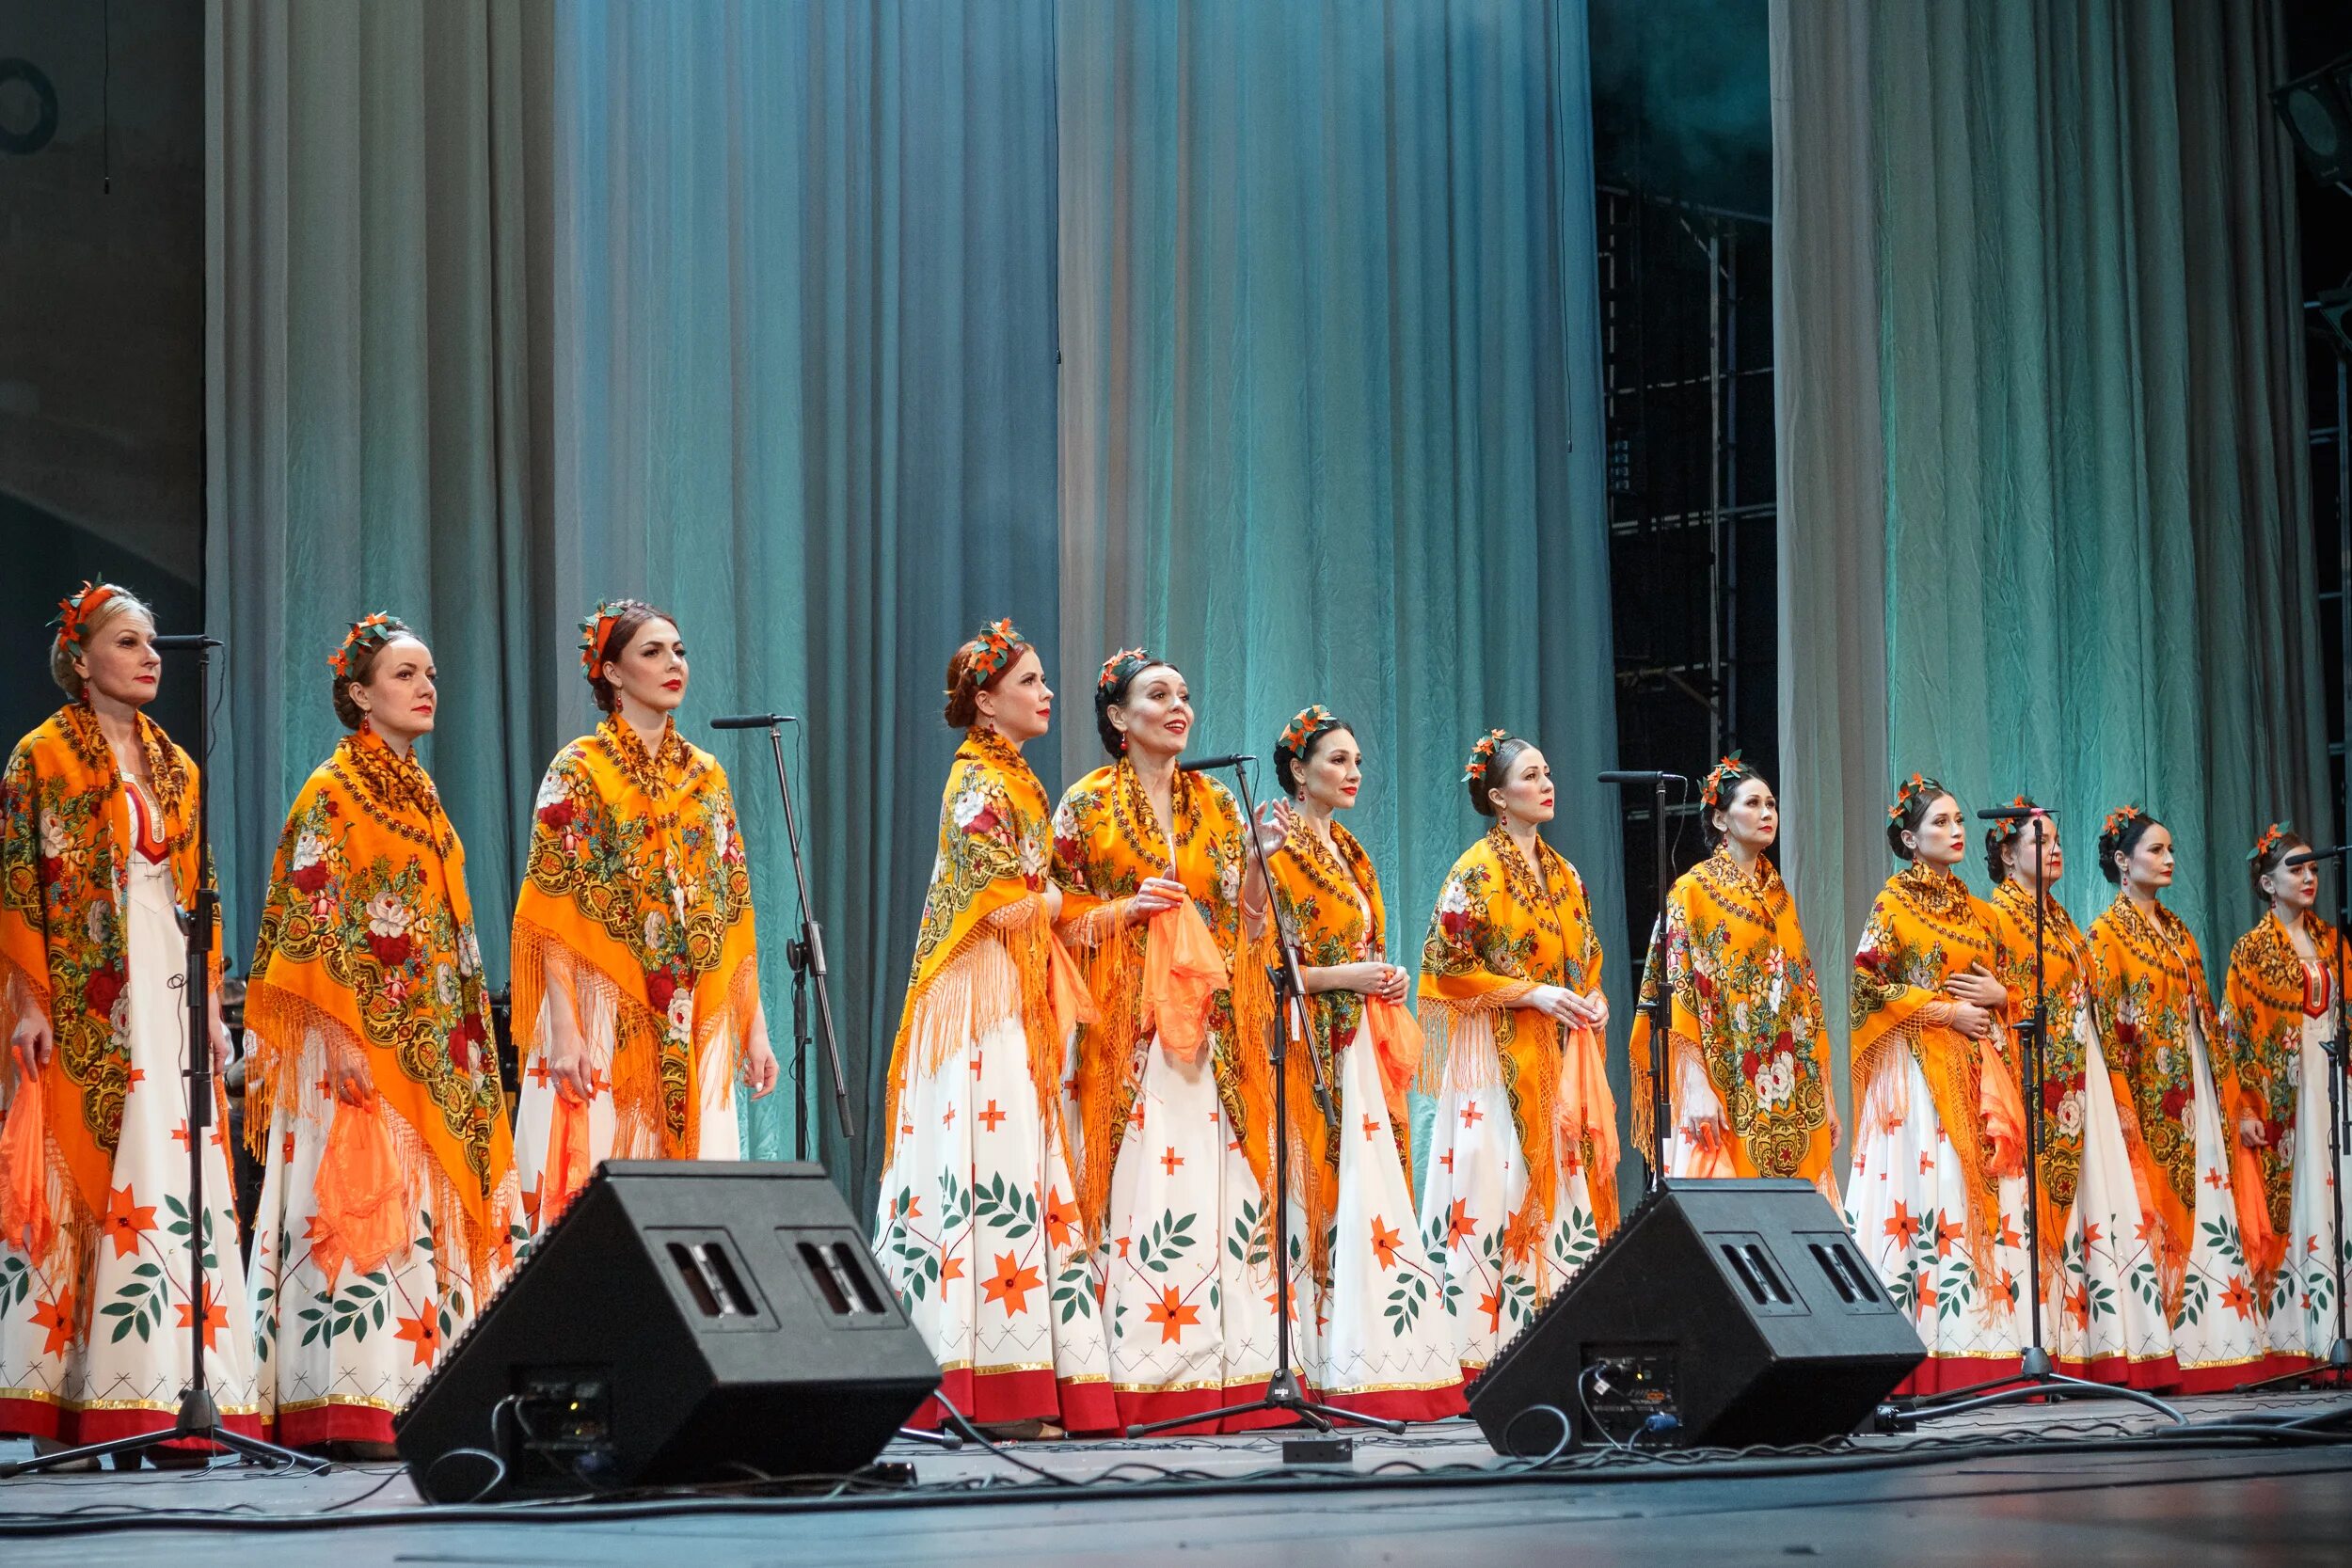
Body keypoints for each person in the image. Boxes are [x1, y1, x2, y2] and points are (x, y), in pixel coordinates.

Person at [244, 613, 518, 1455]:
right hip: (353, 1056)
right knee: (364, 1219)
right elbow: (305, 923)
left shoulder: (423, 798)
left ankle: (425, 1391)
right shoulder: (333, 791)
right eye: (404, 674)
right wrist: (339, 1042)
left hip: (430, 1048)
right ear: (360, 694)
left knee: (423, 1224)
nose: (425, 686)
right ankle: (350, 1402)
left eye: (429, 672)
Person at [0, 582, 260, 1461]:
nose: (150, 656)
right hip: (85, 998)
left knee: (172, 1171)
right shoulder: (40, 758)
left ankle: (166, 1393)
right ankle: (77, 1405)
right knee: (95, 1170)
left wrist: (216, 1008)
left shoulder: (178, 765)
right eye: (126, 642)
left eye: (152, 642)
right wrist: (29, 1001)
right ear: (80, 658)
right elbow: (15, 888)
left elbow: (202, 889)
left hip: (169, 984)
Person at [872, 621, 1115, 1434]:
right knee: (988, 1169)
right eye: (1030, 682)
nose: (1047, 693)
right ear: (985, 699)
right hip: (978, 995)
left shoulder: (1012, 780)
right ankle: (982, 1388)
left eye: (1045, 681)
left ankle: (1016, 1384)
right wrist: (1058, 902)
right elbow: (1007, 904)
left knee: (1010, 1171)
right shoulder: (978, 781)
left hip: (1006, 987)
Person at [1050, 648, 1284, 1433]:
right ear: (1118, 717)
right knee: (1141, 1197)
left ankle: (1232, 1380)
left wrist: (1255, 869)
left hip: (1208, 1032)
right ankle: (1144, 1380)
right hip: (1128, 1028)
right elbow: (1055, 921)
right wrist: (1126, 911)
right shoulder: (1083, 805)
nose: (1179, 706)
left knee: (1220, 1198)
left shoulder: (1216, 801)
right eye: (1158, 695)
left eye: (1185, 693)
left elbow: (1245, 925)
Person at [510, 602, 779, 1233]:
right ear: (612, 672)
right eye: (653, 652)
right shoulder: (578, 770)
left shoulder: (707, 777)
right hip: (604, 1006)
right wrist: (564, 1029)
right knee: (602, 1183)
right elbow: (551, 912)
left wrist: (755, 1028)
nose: (673, 664)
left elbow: (733, 905)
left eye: (679, 650)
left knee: (696, 1200)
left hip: (691, 1007)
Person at [1256, 705, 1464, 1418]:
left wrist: (1383, 976)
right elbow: (1265, 966)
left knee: (1371, 1195)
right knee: (1318, 1196)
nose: (1352, 773)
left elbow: (1361, 951)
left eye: (1356, 762)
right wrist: (1345, 977)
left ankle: (1379, 1359)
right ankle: (1317, 1359)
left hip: (1359, 1041)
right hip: (1310, 1036)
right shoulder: (1276, 851)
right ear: (1297, 770)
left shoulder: (1353, 851)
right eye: (1337, 760)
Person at [1415, 730, 1616, 1376]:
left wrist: (1593, 995)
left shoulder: (1566, 874)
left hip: (1557, 1054)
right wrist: (1531, 992)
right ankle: (1479, 1350)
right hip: (1495, 1056)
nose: (1547, 784)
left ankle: (1560, 1340)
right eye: (1531, 776)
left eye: (1548, 772)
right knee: (1492, 1185)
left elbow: (1585, 958)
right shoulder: (1475, 870)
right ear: (1499, 797)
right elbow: (1445, 968)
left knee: (1564, 1192)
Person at [1981, 799, 2174, 1386]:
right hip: (2033, 1076)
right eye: (2040, 841)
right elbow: (1993, 995)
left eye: (2058, 839)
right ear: (2009, 854)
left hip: (2080, 1073)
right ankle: (2041, 1349)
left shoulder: (2060, 921)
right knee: (2036, 1211)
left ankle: (2103, 1349)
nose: (2055, 848)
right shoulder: (1997, 917)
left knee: (2098, 1205)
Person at [1845, 774, 2028, 1392]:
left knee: (1982, 1198)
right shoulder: (1893, 904)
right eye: (1941, 822)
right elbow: (1866, 986)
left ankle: (1986, 1350)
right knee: (1930, 1193)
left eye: (1958, 821)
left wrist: (2004, 997)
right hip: (1918, 1075)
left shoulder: (1983, 913)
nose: (1955, 831)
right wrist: (1944, 1010)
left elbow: (2023, 991)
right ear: (1909, 838)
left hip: (1981, 1073)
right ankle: (1920, 1355)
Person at [2087, 805, 2271, 1388]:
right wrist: (2121, 1106)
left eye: (2171, 852)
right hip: (2148, 1092)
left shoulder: (2180, 930)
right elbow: (2106, 1032)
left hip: (2198, 1087)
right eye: (2156, 851)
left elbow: (2208, 1024)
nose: (2168, 861)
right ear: (2123, 861)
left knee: (2211, 1203)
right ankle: (2172, 1347)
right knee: (2160, 1211)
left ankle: (2223, 1345)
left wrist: (2233, 1100)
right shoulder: (2104, 936)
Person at [1628, 753, 1838, 1197]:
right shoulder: (1693, 891)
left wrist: (1826, 1096)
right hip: (1721, 1079)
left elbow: (1806, 1001)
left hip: (1786, 1085)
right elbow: (1675, 995)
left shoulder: (1780, 897)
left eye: (1772, 804)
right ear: (1721, 819)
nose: (1767, 813)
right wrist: (1696, 1087)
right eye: (1753, 804)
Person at [2224, 822, 2349, 1367]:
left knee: (2337, 1191)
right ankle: (2297, 1340)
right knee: (2296, 1202)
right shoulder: (2251, 950)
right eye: (2295, 868)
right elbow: (2237, 1035)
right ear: (2268, 883)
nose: (2308, 877)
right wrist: (2247, 1108)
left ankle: (2339, 1329)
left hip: (2333, 1081)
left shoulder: (2331, 941)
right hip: (2284, 1092)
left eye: (2314, 868)